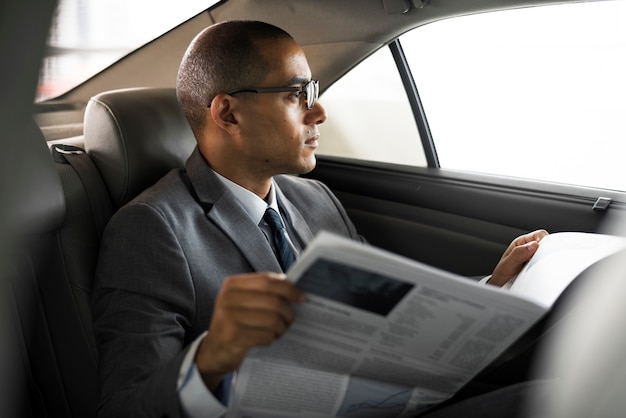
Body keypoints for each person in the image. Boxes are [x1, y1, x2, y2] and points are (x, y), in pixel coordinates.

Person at [91, 20, 548, 418]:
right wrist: (210, 358)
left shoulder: (315, 200)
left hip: (390, 402)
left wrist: (492, 286)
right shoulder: (152, 228)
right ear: (228, 113)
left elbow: (390, 314)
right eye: (297, 94)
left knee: (555, 394)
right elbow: (124, 406)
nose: (320, 111)